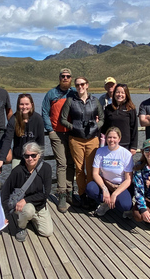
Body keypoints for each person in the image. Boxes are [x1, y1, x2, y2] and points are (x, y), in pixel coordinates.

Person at [60, 76, 104, 208]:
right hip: (75, 139)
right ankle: (82, 194)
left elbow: (102, 118)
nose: (80, 87)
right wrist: (73, 127)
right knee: (79, 169)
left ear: (87, 85)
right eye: (77, 85)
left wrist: (96, 126)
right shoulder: (70, 101)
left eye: (82, 84)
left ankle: (91, 194)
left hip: (92, 139)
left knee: (91, 169)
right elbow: (63, 119)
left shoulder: (95, 101)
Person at [1, 142, 53, 241]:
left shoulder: (46, 168)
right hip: (23, 206)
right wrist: (5, 214)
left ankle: (29, 218)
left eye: (33, 155)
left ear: (39, 155)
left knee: (47, 232)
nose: (30, 158)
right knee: (28, 210)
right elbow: (5, 191)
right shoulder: (17, 171)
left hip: (39, 204)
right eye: (27, 156)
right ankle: (21, 227)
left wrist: (26, 199)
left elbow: (45, 194)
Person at [41, 68, 77, 213]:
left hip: (73, 133)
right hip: (57, 133)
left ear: (71, 78)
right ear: (59, 77)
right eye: (63, 76)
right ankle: (61, 194)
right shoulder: (51, 93)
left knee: (71, 162)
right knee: (61, 163)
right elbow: (44, 111)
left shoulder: (74, 92)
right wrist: (50, 129)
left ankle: (70, 192)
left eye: (68, 76)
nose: (65, 78)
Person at [86, 127, 134, 216]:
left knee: (125, 206)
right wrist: (105, 189)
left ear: (119, 139)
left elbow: (128, 179)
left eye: (114, 137)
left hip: (119, 185)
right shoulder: (100, 151)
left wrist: (115, 194)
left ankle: (115, 201)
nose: (112, 140)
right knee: (90, 188)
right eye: (109, 137)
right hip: (105, 183)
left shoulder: (126, 154)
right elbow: (95, 173)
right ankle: (105, 203)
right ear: (106, 138)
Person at [0, 94, 44, 172]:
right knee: (17, 180)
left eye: (27, 104)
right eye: (21, 104)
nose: (24, 107)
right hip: (19, 156)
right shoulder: (13, 119)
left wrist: (40, 160)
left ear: (32, 105)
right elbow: (7, 140)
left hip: (33, 157)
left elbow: (41, 143)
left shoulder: (38, 119)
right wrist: (1, 160)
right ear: (18, 105)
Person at [102, 83, 138, 155]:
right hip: (110, 143)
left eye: (122, 92)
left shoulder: (131, 109)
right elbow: (104, 127)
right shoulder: (108, 108)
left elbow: (134, 128)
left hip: (125, 144)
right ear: (114, 93)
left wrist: (133, 146)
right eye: (117, 92)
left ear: (126, 94)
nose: (120, 95)